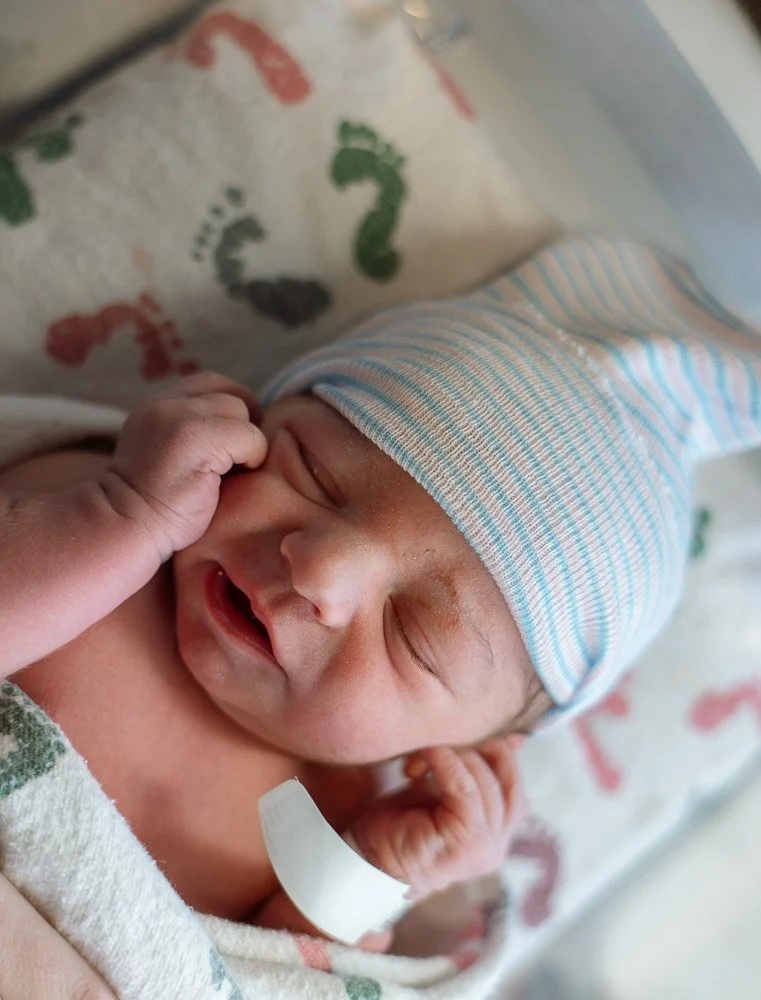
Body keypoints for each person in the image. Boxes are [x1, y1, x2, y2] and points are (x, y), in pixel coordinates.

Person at [1, 235, 760, 991]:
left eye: (416, 635)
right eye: (315, 474)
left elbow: (240, 981)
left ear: (468, 741)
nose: (322, 568)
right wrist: (120, 511)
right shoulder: (89, 507)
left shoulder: (329, 832)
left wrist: (370, 871)